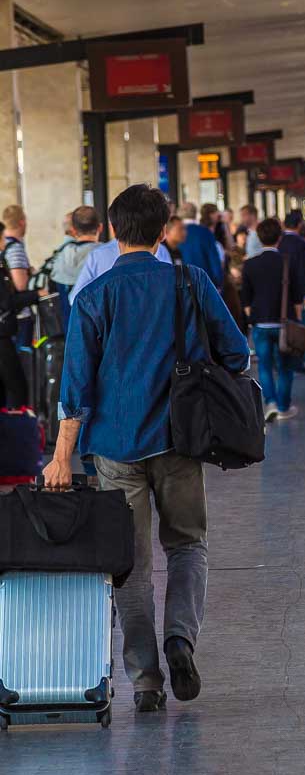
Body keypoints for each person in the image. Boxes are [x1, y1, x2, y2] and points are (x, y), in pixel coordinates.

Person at [43, 184, 249, 713]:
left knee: (130, 564)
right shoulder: (190, 281)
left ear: (113, 231)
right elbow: (237, 353)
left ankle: (145, 680)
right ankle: (180, 638)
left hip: (115, 448)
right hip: (180, 441)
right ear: (163, 231)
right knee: (187, 545)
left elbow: (75, 387)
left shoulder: (93, 296)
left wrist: (61, 456)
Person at [241, 217, 305, 421]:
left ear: (259, 238)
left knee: (264, 365)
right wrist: (297, 319)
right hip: (284, 324)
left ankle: (270, 402)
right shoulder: (288, 262)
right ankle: (283, 406)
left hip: (260, 323)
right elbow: (298, 298)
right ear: (279, 238)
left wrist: (252, 319)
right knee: (286, 366)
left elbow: (246, 300)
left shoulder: (250, 264)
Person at [70, 235, 173, 303]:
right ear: (162, 233)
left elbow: (75, 298)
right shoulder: (162, 251)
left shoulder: (98, 254)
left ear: (113, 227)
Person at [49, 206, 103, 332]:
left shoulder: (59, 256)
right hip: (99, 331)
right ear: (100, 227)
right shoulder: (106, 255)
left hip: (68, 332)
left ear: (73, 230)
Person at [0, 247, 38, 406]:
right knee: (15, 384)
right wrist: (35, 294)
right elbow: (7, 301)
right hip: (3, 334)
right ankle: (16, 417)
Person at [2, 205, 32, 348]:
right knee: (22, 356)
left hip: (4, 315)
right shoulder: (15, 248)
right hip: (18, 316)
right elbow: (20, 285)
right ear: (22, 222)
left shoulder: (3, 245)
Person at [176, 201, 223, 288]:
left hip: (181, 284)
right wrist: (218, 283)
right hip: (204, 283)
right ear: (195, 214)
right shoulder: (205, 232)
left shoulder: (174, 234)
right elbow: (214, 261)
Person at [279, 211, 305, 300]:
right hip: (298, 289)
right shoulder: (303, 244)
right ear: (299, 225)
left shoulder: (278, 242)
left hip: (280, 287)